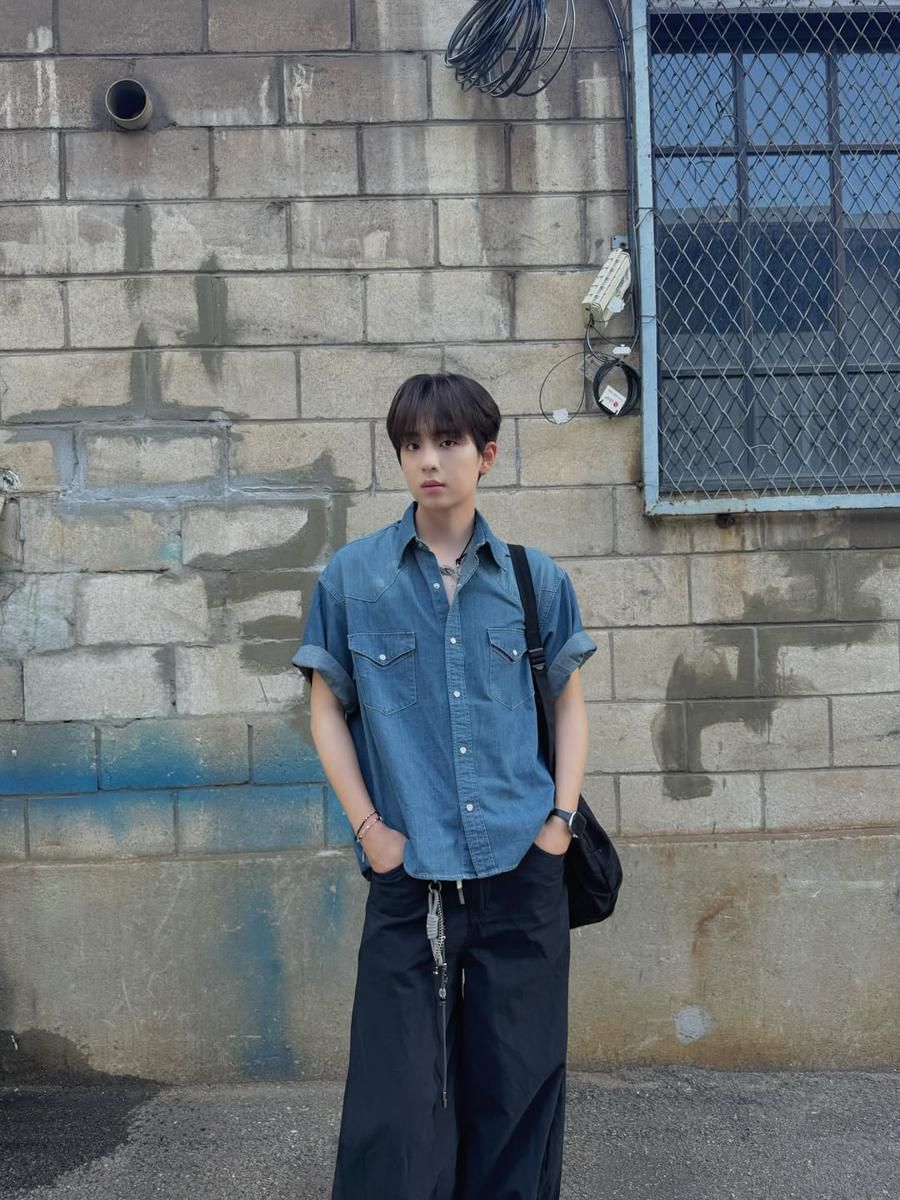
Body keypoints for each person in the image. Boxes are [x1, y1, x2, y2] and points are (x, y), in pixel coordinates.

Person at [292, 372, 597, 1200]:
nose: (430, 460)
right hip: (409, 876)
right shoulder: (354, 579)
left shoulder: (536, 581)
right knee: (397, 1109)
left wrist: (559, 824)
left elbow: (569, 708)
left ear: (486, 455)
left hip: (521, 871)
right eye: (413, 445)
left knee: (517, 1096)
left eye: (449, 442)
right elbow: (325, 712)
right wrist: (370, 832)